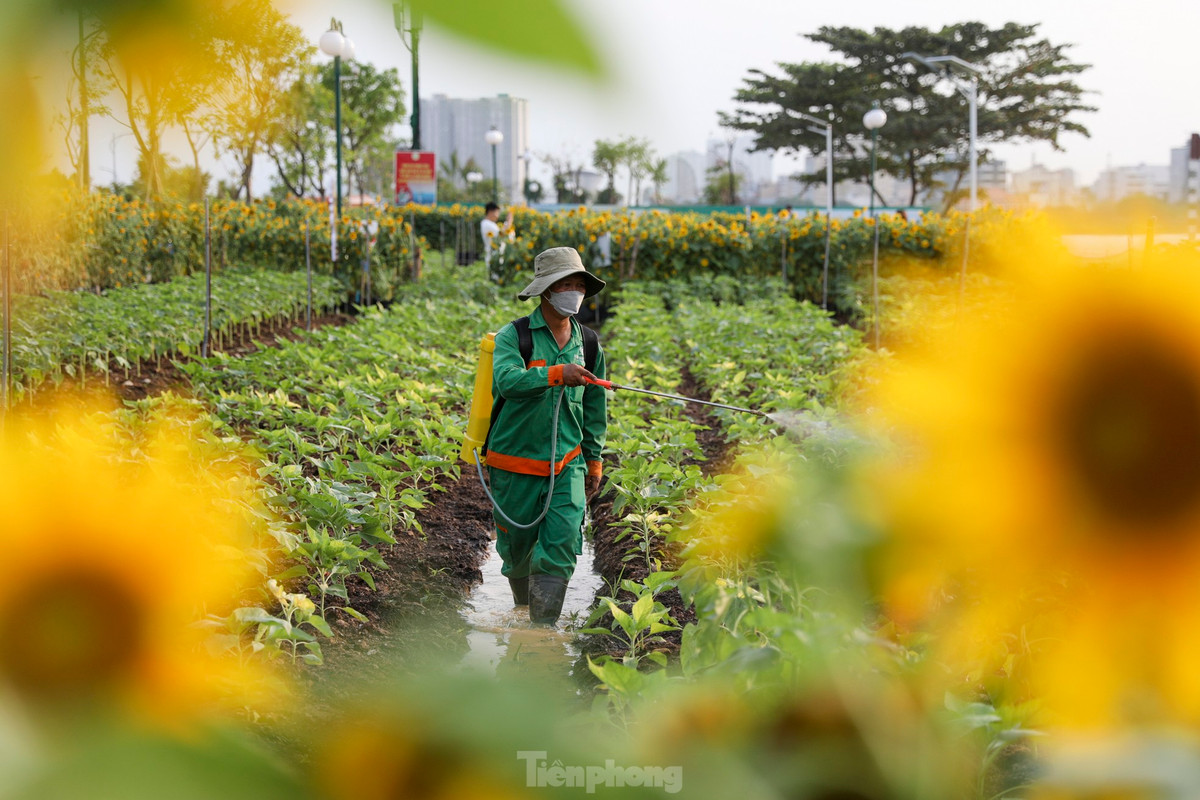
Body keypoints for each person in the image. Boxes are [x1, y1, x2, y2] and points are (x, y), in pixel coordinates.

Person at [485, 246, 608, 625]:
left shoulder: (588, 343)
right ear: (546, 290)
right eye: (565, 284)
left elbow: (595, 406)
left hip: (567, 463)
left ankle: (541, 633)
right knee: (517, 553)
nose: (575, 292)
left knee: (562, 543)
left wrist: (594, 459)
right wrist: (556, 374)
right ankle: (522, 614)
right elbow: (507, 381)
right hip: (514, 463)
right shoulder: (515, 336)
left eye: (580, 285)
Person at [480, 202, 515, 272]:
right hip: (493, 256)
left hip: (496, 255)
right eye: (497, 212)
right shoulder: (486, 223)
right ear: (490, 212)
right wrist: (509, 221)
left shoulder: (491, 224)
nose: (498, 215)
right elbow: (502, 235)